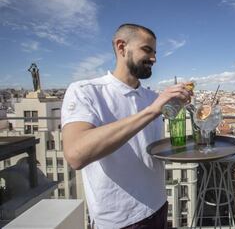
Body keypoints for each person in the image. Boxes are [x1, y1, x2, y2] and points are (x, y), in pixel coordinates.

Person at [61, 23, 192, 229]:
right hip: (119, 219)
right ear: (121, 47)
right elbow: (76, 155)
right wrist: (152, 110)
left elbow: (151, 147)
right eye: (147, 50)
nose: (154, 59)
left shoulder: (152, 97)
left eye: (155, 52)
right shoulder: (85, 91)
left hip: (158, 206)